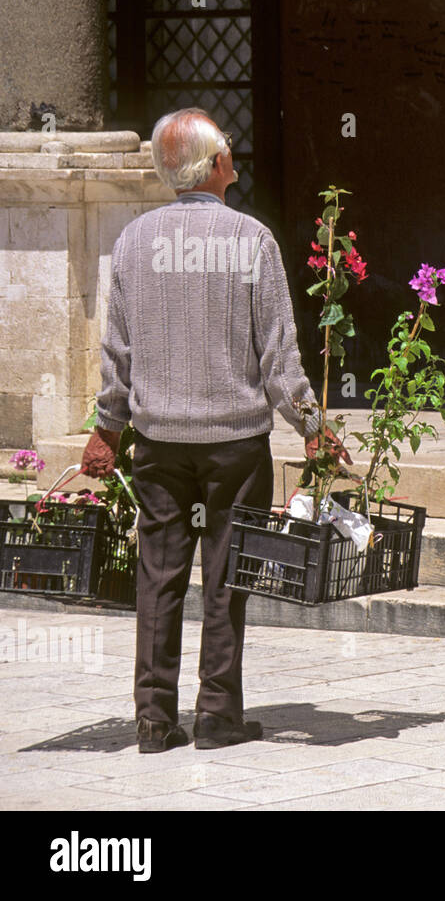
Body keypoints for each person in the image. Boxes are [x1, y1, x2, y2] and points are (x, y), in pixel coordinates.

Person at [81, 107, 349, 753]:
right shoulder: (251, 240)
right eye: (229, 150)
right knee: (228, 578)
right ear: (217, 165)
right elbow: (278, 355)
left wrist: (107, 430)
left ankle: (152, 719)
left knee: (159, 577)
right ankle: (217, 715)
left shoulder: (133, 243)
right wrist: (311, 426)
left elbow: (117, 354)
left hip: (161, 443)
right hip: (234, 446)